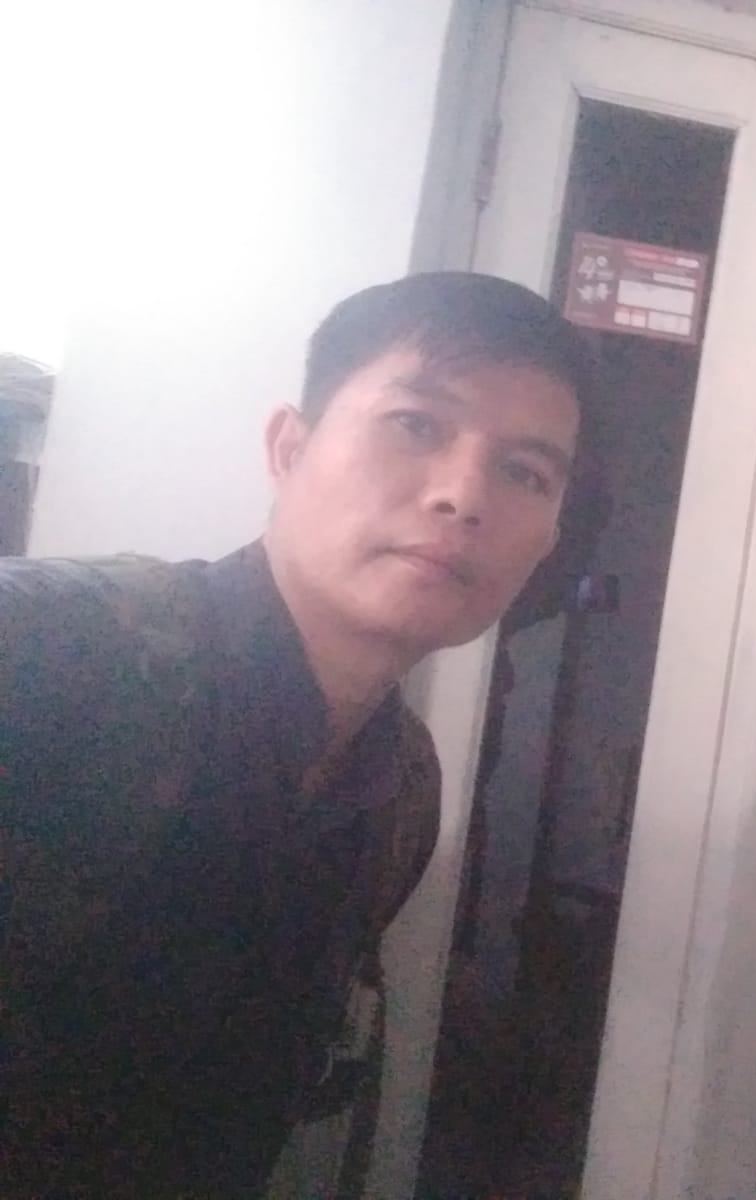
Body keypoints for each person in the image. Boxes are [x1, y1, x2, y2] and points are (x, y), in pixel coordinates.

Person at [0, 272, 589, 1195]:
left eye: (525, 473)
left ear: (547, 538)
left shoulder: (402, 788)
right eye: (416, 424)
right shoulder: (46, 654)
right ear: (290, 447)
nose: (463, 496)